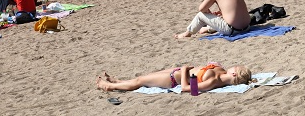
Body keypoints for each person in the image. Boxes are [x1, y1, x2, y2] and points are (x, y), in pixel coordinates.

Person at [96, 63, 252, 93]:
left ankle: (109, 86)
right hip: (175, 72)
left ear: (233, 74)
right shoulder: (221, 72)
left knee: (140, 82)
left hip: (172, 79)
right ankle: (119, 82)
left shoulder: (213, 82)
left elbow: (187, 88)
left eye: (236, 67)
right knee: (143, 78)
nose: (234, 65)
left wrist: (183, 71)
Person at [175, 0, 251, 38]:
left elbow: (201, 9)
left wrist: (207, 11)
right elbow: (236, 9)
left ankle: (187, 34)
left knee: (200, 15)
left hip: (232, 30)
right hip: (247, 27)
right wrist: (221, 12)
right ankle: (207, 29)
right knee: (221, 18)